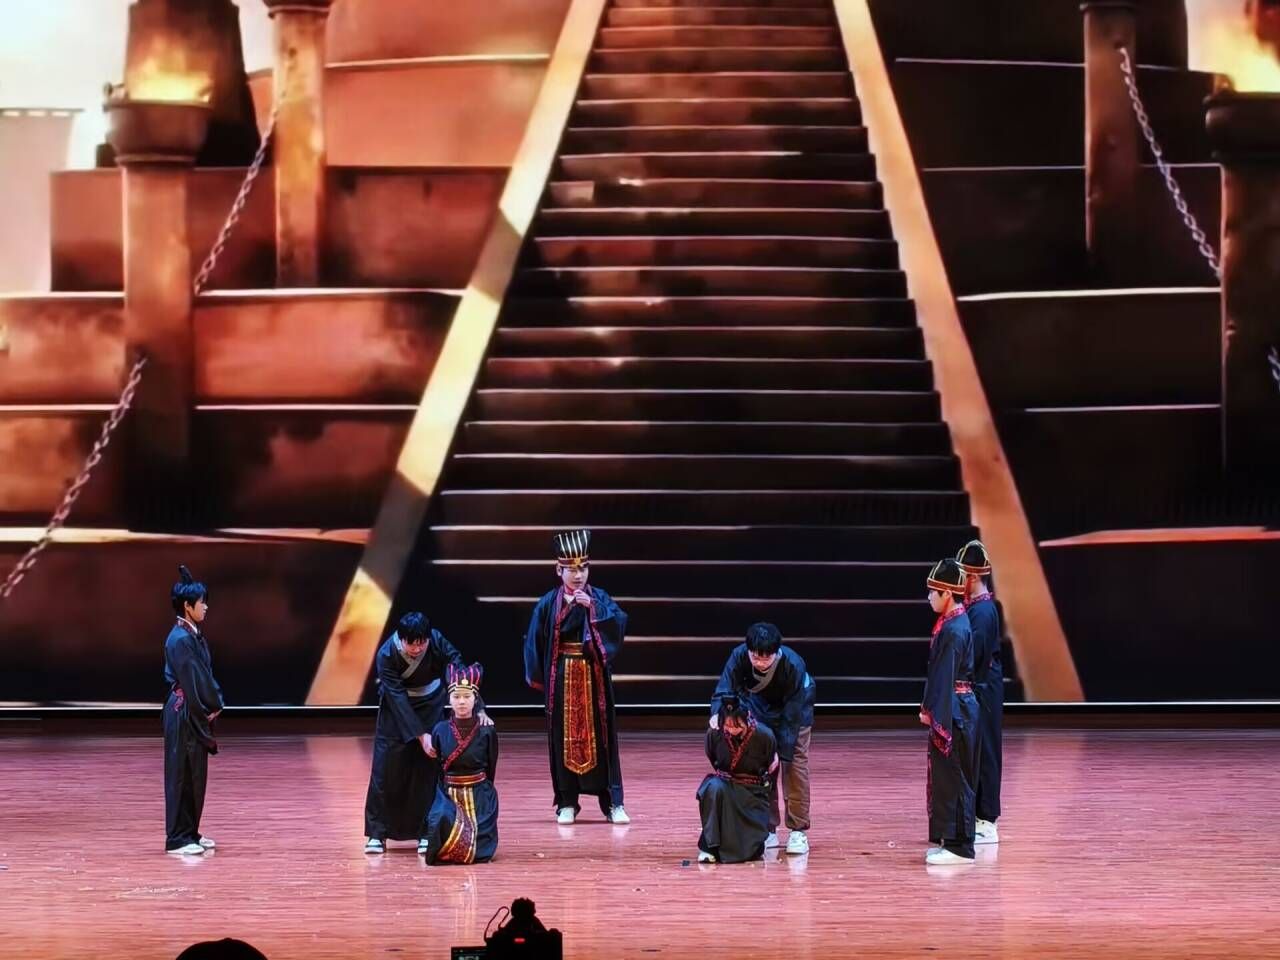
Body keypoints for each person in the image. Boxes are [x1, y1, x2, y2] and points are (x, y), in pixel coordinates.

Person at [523, 529, 630, 824]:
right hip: (562, 677)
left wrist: (592, 609)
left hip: (594, 677)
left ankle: (612, 803)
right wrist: (541, 678)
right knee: (563, 737)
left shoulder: (599, 598)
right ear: (559, 570)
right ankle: (567, 801)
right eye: (571, 569)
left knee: (603, 737)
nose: (578, 574)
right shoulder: (549, 602)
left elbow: (618, 623)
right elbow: (535, 641)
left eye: (583, 567)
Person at [364, 612, 491, 854]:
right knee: (385, 770)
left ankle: (426, 832)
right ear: (400, 638)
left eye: (421, 643)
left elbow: (457, 668)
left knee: (428, 769)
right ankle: (377, 834)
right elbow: (397, 698)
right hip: (396, 711)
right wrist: (421, 735)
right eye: (411, 644)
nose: (417, 648)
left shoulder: (436, 640)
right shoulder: (386, 654)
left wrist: (478, 706)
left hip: (431, 705)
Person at [710, 622, 814, 854]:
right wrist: (718, 714)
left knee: (793, 765)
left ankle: (798, 830)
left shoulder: (793, 665)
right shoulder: (738, 656)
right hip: (759, 709)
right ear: (748, 651)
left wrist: (780, 752)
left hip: (795, 713)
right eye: (756, 657)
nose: (760, 663)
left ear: (777, 653)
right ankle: (767, 829)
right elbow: (724, 690)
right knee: (761, 767)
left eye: (766, 658)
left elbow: (791, 718)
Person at [921, 558, 979, 865]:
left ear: (947, 593)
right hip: (955, 706)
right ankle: (951, 841)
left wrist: (936, 716)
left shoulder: (954, 630)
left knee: (955, 775)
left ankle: (960, 847)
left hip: (956, 710)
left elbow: (945, 677)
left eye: (933, 592)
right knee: (949, 776)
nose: (929, 597)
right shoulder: (952, 623)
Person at [163, 564, 224, 856]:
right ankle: (177, 838)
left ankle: (190, 832)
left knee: (195, 774)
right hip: (183, 710)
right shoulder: (180, 639)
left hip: (192, 707)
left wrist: (214, 703)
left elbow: (203, 676)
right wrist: (210, 706)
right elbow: (193, 679)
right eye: (201, 602)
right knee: (182, 774)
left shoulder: (192, 635)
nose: (206, 607)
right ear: (188, 606)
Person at [423, 663, 499, 864]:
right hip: (450, 793)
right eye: (456, 697)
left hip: (479, 791)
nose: (462, 702)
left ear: (476, 699)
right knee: (441, 817)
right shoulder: (440, 730)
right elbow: (437, 769)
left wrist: (486, 790)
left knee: (482, 841)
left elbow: (491, 766)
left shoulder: (487, 730)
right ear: (449, 699)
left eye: (467, 696)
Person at [956, 539, 1003, 845]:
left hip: (983, 690)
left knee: (985, 752)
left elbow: (974, 656)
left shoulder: (983, 611)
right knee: (976, 751)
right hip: (980, 687)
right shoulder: (977, 607)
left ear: (972, 577)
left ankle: (987, 819)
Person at [696, 695, 778, 863]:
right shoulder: (715, 733)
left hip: (752, 790)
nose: (732, 730)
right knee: (713, 787)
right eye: (727, 726)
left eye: (737, 726)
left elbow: (770, 767)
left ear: (746, 719)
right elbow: (713, 757)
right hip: (726, 784)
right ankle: (709, 847)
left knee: (754, 850)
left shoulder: (764, 735)